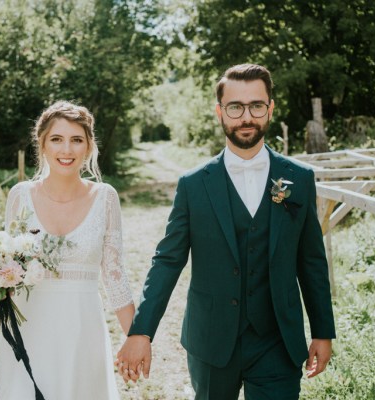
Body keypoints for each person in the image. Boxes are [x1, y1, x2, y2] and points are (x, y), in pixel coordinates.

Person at [116, 63, 336, 399]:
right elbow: (167, 260)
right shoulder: (193, 185)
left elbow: (311, 261)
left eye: (256, 106)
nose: (246, 117)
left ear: (270, 109)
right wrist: (141, 331)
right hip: (211, 343)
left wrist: (323, 330)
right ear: (220, 111)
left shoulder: (299, 178)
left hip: (278, 340)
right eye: (235, 107)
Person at [0, 100, 135, 399]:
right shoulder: (20, 195)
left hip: (81, 329)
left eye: (77, 140)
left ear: (88, 146)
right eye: (57, 139)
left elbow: (115, 277)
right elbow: (9, 266)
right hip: (29, 326)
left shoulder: (105, 198)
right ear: (43, 145)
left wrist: (136, 337)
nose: (67, 150)